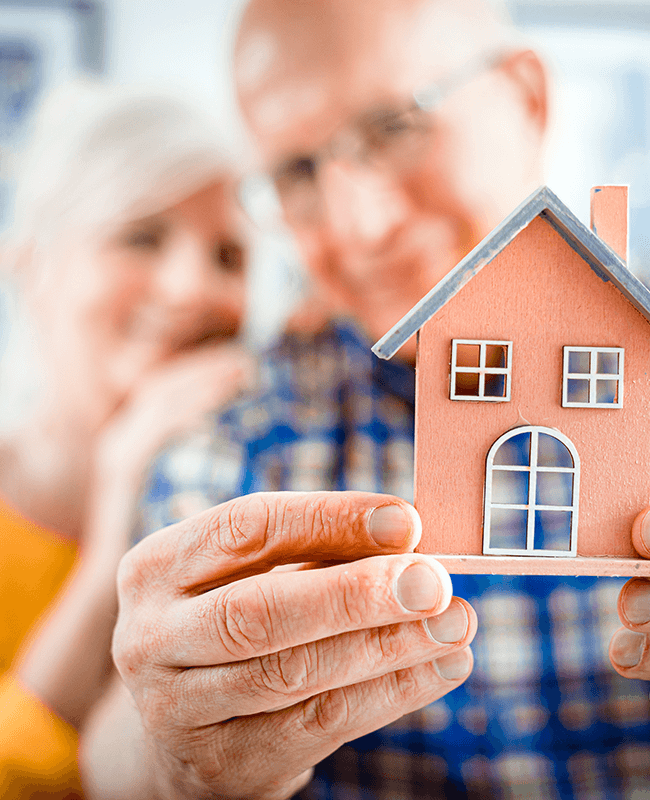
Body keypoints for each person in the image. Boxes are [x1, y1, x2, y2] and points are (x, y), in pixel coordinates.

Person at [81, 1, 650, 798]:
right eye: (298, 174)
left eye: (394, 125)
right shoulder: (235, 442)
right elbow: (116, 742)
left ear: (527, 97)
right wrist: (172, 759)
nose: (361, 225)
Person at [0, 80, 252, 798]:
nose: (191, 289)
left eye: (229, 257)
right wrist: (114, 524)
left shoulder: (231, 515)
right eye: (142, 236)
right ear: (31, 268)